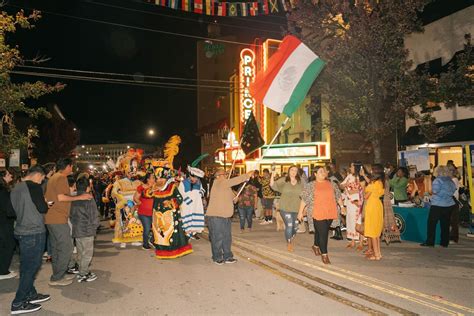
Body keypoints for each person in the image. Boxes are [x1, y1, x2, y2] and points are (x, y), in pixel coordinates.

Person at [45, 158, 93, 286]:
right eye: (71, 166)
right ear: (67, 166)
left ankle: (57, 276)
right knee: (66, 248)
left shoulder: (54, 177)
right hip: (58, 218)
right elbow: (61, 197)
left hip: (52, 218)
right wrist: (80, 197)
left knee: (56, 249)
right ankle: (57, 277)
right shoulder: (61, 178)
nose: (72, 169)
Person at [10, 166, 50, 315]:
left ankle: (30, 294)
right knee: (31, 268)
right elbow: (42, 208)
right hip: (33, 231)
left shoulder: (15, 187)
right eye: (42, 178)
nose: (41, 181)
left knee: (26, 266)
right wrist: (45, 203)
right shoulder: (34, 187)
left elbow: (11, 210)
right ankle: (18, 302)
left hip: (21, 229)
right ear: (37, 175)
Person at [145, 166, 193, 259]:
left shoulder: (172, 187)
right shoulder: (155, 187)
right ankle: (161, 251)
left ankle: (172, 251)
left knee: (170, 235)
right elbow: (147, 195)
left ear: (165, 178)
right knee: (159, 234)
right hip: (157, 216)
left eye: (161, 178)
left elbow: (180, 199)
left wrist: (171, 202)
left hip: (170, 217)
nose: (159, 180)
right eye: (157, 178)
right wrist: (151, 190)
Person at [206, 168, 252, 265]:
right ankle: (217, 257)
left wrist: (236, 198)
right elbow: (234, 181)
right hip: (215, 216)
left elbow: (233, 198)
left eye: (226, 174)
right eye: (224, 174)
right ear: (217, 176)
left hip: (226, 216)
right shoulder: (218, 183)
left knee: (227, 237)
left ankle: (228, 256)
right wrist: (246, 175)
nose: (226, 175)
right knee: (217, 237)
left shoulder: (226, 186)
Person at [299, 166, 344, 264]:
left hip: (330, 211)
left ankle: (315, 246)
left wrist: (342, 206)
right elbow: (304, 199)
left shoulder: (332, 184)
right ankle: (325, 255)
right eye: (320, 172)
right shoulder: (310, 185)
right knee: (323, 233)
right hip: (317, 212)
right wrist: (300, 212)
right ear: (315, 174)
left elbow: (338, 195)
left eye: (324, 171)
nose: (323, 173)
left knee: (320, 232)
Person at [69, 177, 100, 283]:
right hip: (87, 230)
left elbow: (71, 214)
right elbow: (94, 215)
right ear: (87, 187)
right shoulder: (88, 198)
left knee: (81, 251)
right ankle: (83, 273)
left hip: (77, 229)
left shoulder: (73, 198)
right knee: (87, 253)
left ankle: (81, 269)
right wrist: (95, 227)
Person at [270, 165, 304, 252]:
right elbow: (272, 185)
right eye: (292, 170)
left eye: (295, 170)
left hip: (297, 208)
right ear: (289, 171)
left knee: (295, 228)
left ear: (297, 172)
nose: (293, 172)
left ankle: (290, 236)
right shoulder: (284, 180)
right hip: (285, 208)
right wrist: (273, 173)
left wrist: (304, 209)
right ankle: (289, 242)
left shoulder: (301, 182)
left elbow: (305, 195)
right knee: (289, 225)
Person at [421, 166, 456, 248]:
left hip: (437, 205)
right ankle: (444, 242)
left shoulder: (438, 180)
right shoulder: (450, 180)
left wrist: (428, 183)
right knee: (445, 224)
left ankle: (430, 242)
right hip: (449, 204)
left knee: (432, 224)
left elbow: (434, 191)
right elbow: (454, 190)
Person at [362, 165, 385, 260]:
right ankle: (378, 253)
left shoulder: (373, 185)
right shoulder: (380, 183)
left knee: (373, 233)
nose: (370, 172)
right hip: (378, 205)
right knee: (376, 232)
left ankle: (376, 255)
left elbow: (365, 196)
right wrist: (364, 176)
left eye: (372, 171)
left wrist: (363, 187)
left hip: (372, 207)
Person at [178, 166, 206, 239]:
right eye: (194, 178)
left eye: (197, 178)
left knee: (195, 218)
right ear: (190, 176)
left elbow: (202, 190)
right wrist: (188, 201)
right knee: (187, 219)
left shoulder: (199, 183)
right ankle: (187, 233)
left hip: (196, 205)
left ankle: (193, 232)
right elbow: (180, 193)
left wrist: (199, 194)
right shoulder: (183, 183)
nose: (195, 179)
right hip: (186, 205)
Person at [341, 162, 364, 249]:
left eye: (351, 166)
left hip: (357, 201)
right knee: (350, 220)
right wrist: (345, 185)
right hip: (350, 202)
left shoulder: (360, 177)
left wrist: (353, 191)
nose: (350, 168)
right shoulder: (349, 176)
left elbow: (363, 189)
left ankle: (361, 242)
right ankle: (353, 241)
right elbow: (341, 185)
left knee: (358, 221)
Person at [0, 169, 17, 280]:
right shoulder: (3, 190)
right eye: (8, 174)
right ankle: (3, 271)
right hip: (4, 221)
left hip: (3, 220)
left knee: (3, 245)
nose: (10, 175)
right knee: (8, 245)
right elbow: (8, 208)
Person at [134, 172, 156, 249]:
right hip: (144, 213)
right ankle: (145, 244)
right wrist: (141, 204)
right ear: (148, 179)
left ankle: (152, 240)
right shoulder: (141, 187)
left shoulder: (156, 187)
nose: (154, 179)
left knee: (155, 228)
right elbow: (135, 198)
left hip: (154, 212)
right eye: (153, 177)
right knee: (147, 229)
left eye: (154, 178)